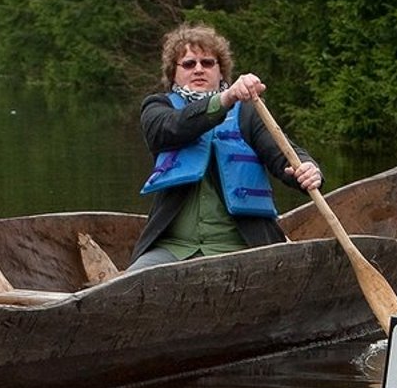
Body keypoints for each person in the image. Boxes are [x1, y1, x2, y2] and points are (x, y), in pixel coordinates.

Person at [126, 23, 323, 272]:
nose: (198, 69)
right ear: (173, 73)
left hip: (240, 246)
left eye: (208, 63)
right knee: (130, 283)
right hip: (173, 248)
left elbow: (285, 155)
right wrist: (225, 99)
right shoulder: (157, 108)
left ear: (221, 72)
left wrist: (309, 168)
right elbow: (172, 128)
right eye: (188, 63)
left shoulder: (248, 114)